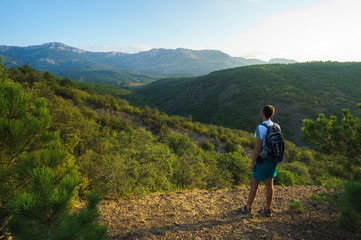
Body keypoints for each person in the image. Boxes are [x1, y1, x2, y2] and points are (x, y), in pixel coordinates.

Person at [239, 105, 279, 217]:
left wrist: (252, 162)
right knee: (269, 184)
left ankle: (247, 207)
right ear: (272, 114)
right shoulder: (277, 126)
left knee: (254, 184)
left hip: (263, 160)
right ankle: (267, 209)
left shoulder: (260, 127)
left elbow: (258, 147)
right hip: (273, 160)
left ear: (262, 113)